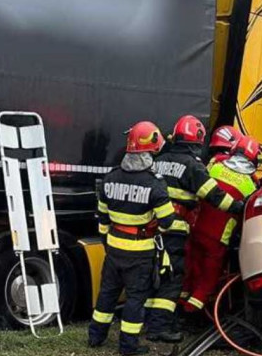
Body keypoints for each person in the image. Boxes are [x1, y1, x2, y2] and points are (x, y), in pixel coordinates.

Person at [145, 115, 244, 343]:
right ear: (197, 141)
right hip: (174, 230)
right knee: (173, 278)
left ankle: (148, 321)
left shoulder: (158, 159)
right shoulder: (193, 165)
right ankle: (160, 327)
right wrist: (240, 206)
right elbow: (214, 196)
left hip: (150, 228)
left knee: (151, 276)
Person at [88, 121, 176, 355]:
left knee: (107, 294)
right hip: (140, 252)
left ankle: (95, 337)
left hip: (114, 248)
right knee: (136, 299)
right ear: (151, 149)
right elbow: (167, 221)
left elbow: (103, 220)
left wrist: (109, 243)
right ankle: (128, 346)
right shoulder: (154, 183)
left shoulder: (110, 178)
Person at [181, 126, 260, 313]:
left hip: (196, 228)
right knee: (209, 275)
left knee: (191, 266)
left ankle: (181, 302)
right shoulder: (251, 185)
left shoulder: (215, 166)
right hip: (218, 238)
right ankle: (194, 311)